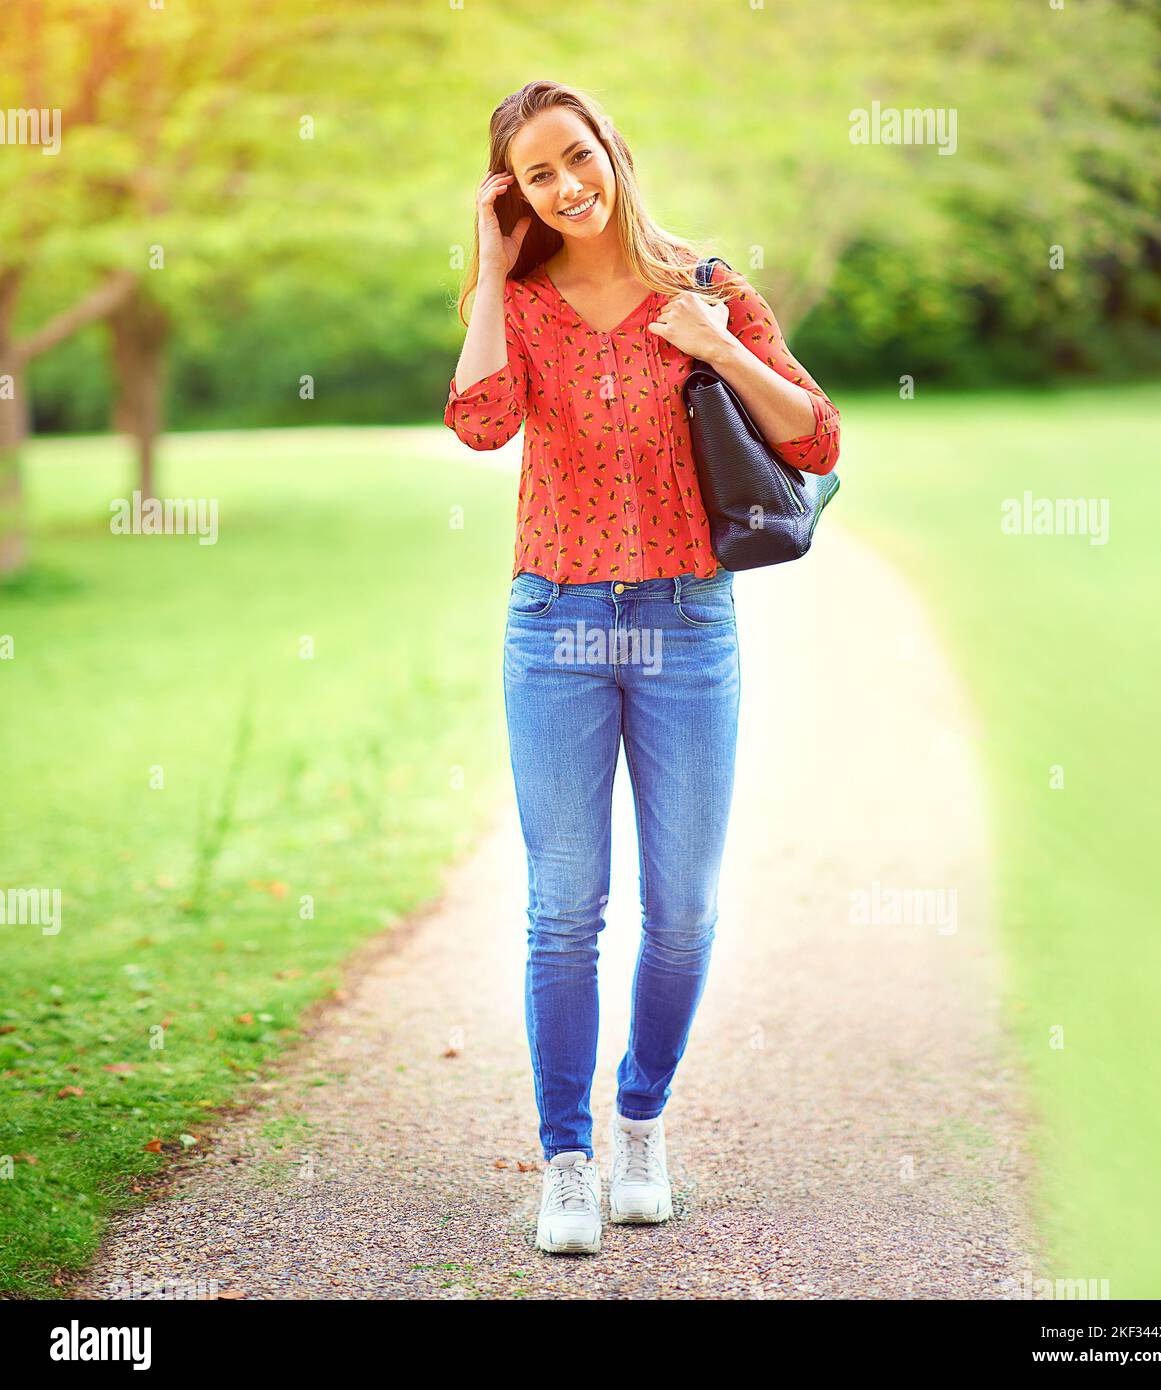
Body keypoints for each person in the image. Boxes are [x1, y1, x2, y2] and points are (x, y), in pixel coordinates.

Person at [443, 79, 840, 1255]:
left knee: (682, 911)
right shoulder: (514, 304)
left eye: (577, 158)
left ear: (612, 149)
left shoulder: (706, 287)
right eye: (535, 177)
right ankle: (563, 1157)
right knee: (563, 912)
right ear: (513, 193)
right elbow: (478, 426)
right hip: (554, 625)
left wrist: (715, 344)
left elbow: (813, 438)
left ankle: (640, 1121)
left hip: (684, 624)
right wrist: (483, 262)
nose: (566, 188)